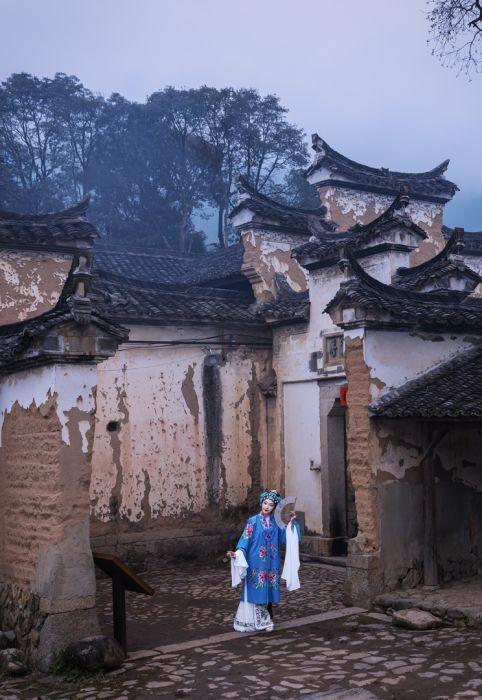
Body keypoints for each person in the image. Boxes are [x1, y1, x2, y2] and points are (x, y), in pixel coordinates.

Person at [227, 489, 301, 632]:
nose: (267, 506)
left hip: (272, 563)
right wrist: (238, 553)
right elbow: (245, 539)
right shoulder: (253, 521)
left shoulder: (277, 523)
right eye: (265, 503)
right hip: (255, 563)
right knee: (256, 590)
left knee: (268, 591)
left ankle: (267, 618)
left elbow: (285, 538)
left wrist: (291, 523)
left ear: (275, 507)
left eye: (271, 505)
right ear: (261, 503)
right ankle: (257, 620)